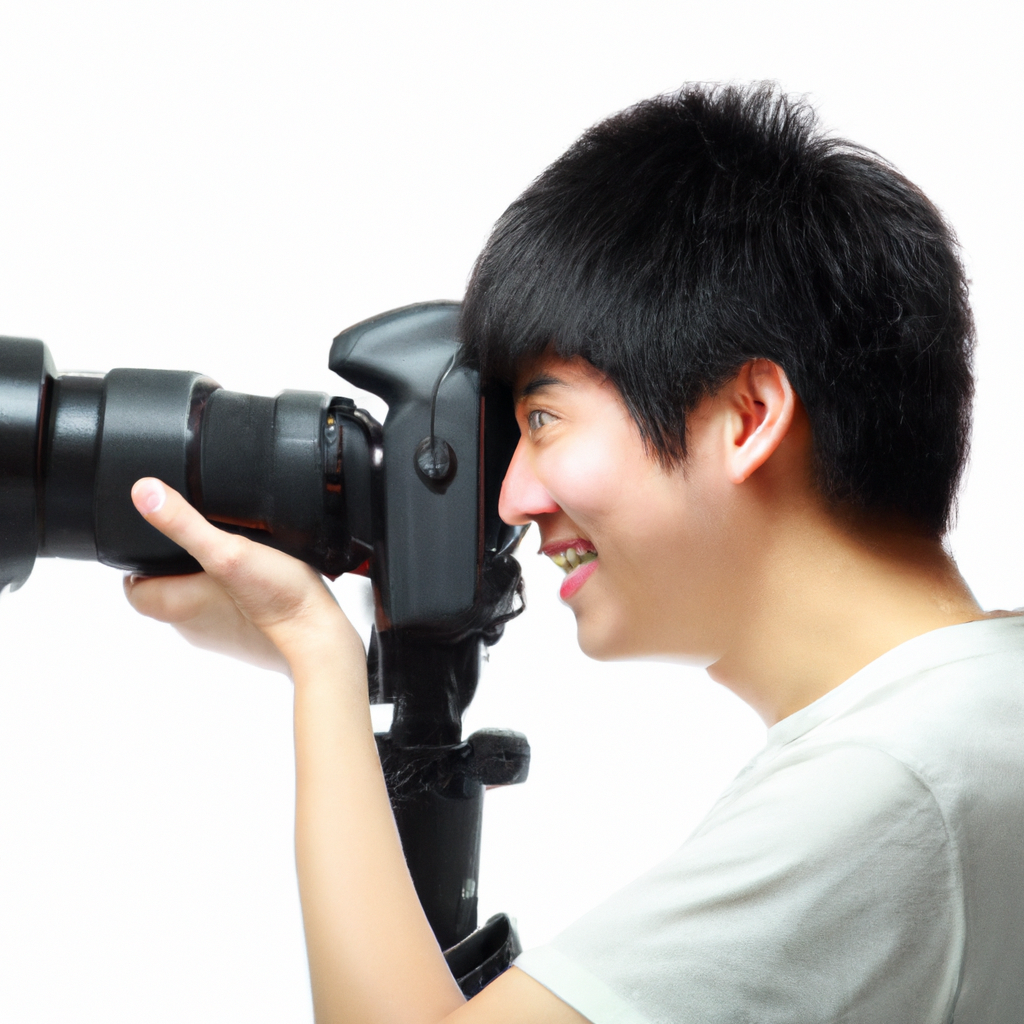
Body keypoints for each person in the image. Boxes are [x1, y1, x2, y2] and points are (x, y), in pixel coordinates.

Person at [123, 83, 1024, 1023]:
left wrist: (317, 653)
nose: (514, 498)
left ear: (749, 417)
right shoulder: (981, 717)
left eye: (544, 419)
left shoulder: (889, 786)